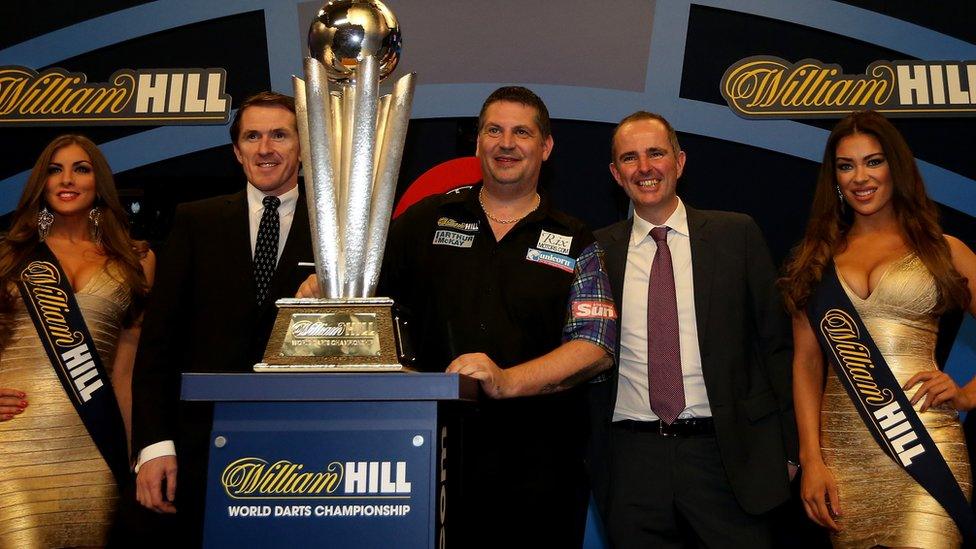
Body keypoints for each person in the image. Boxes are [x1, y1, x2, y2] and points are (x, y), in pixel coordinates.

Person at [300, 86, 600, 548]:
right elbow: (362, 293)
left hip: (540, 462)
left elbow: (594, 346)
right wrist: (332, 284)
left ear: (546, 147)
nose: (506, 143)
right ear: (477, 143)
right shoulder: (426, 219)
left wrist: (506, 380)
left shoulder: (577, 238)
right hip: (429, 451)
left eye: (522, 132)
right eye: (493, 130)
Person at [586, 111, 798, 548]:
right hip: (632, 461)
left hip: (728, 455)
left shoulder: (735, 234)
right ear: (615, 173)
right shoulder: (596, 250)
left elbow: (777, 347)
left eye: (656, 153)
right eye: (630, 157)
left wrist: (792, 450)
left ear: (680, 162)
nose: (644, 167)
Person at [783, 110, 976, 548]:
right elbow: (806, 366)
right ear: (834, 177)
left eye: (873, 161)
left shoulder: (942, 250)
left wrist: (967, 394)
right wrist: (811, 459)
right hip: (843, 462)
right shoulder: (815, 261)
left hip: (924, 448)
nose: (860, 177)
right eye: (846, 166)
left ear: (897, 168)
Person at [130, 91, 312, 543]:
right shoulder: (196, 221)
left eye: (279, 135)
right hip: (202, 446)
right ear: (237, 151)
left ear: (304, 147)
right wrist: (153, 446)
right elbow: (158, 346)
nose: (264, 148)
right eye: (252, 136)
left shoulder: (336, 227)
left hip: (308, 447)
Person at [0, 134, 154, 547]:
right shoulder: (9, 256)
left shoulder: (135, 261)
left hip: (94, 449)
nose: (66, 179)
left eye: (80, 169)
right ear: (41, 183)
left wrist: (136, 453)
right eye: (55, 169)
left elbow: (127, 371)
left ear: (98, 181)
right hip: (14, 444)